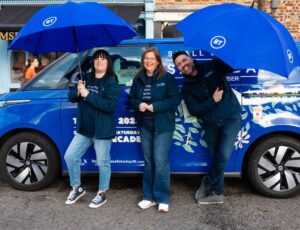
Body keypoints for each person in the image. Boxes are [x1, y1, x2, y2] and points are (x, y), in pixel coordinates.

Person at [172, 51, 241, 205]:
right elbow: (195, 109)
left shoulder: (212, 66)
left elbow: (232, 65)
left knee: (222, 156)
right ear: (178, 68)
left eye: (184, 60)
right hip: (211, 124)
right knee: (215, 157)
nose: (183, 65)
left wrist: (223, 51)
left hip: (231, 118)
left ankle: (208, 182)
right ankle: (218, 193)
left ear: (191, 58)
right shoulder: (186, 87)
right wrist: (213, 100)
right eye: (179, 64)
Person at [64, 49, 120, 208]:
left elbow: (109, 107)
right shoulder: (85, 78)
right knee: (70, 156)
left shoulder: (111, 82)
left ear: (108, 62)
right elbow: (71, 97)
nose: (99, 61)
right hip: (85, 130)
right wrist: (78, 90)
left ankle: (101, 193)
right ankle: (77, 187)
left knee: (103, 162)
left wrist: (87, 94)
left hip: (102, 131)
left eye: (103, 59)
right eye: (96, 59)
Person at [129, 48, 180, 212]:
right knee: (149, 161)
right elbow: (131, 99)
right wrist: (139, 104)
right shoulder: (138, 79)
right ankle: (148, 197)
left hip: (163, 126)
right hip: (145, 125)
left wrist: (154, 107)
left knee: (160, 161)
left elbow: (175, 100)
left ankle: (163, 197)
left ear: (158, 61)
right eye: (146, 59)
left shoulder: (167, 78)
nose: (148, 61)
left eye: (152, 59)